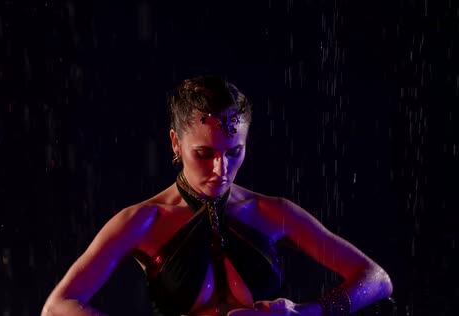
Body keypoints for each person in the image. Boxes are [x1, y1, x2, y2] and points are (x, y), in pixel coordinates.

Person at [41, 76, 393, 316]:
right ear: (176, 143)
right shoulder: (143, 221)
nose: (221, 170)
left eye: (234, 152)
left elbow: (377, 279)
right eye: (205, 154)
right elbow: (57, 307)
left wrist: (305, 312)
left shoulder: (271, 212)